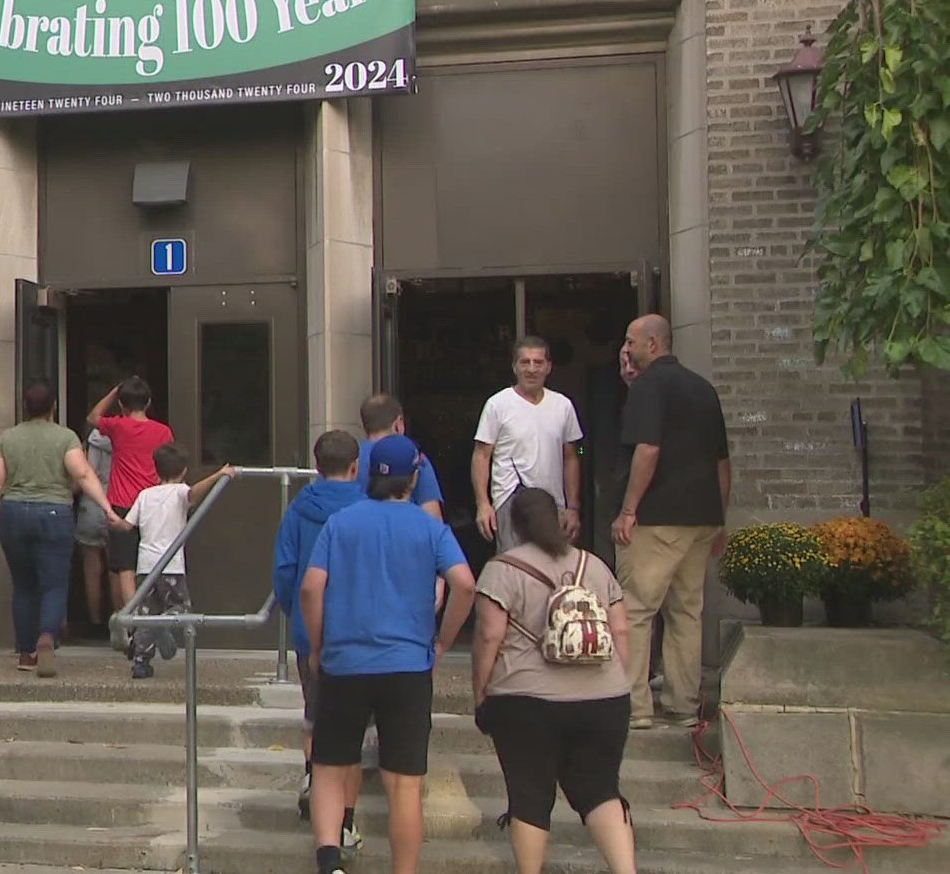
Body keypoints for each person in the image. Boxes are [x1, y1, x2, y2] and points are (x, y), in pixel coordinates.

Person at [301, 435, 475, 874]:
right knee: (404, 785)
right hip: (408, 666)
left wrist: (318, 646)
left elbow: (310, 587)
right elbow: (465, 584)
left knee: (328, 767)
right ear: (413, 478)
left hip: (346, 663)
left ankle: (329, 862)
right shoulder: (430, 527)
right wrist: (443, 641)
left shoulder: (341, 522)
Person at [473, 487, 637, 874]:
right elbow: (622, 632)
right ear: (559, 520)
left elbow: (489, 636)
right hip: (606, 700)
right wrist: (619, 681)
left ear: (515, 525)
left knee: (529, 795)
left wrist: (481, 692)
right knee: (600, 791)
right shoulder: (594, 565)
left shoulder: (502, 569)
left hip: (525, 700)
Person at [612, 315, 730, 730]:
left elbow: (648, 448)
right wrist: (720, 518)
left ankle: (634, 706)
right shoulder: (704, 389)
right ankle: (683, 704)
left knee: (636, 611)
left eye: (632, 342)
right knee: (686, 612)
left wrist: (628, 510)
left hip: (657, 519)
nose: (627, 350)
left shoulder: (649, 386)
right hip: (701, 518)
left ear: (654, 344)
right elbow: (722, 462)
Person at [0, 381, 117, 677]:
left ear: (25, 407)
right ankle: (47, 636)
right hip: (54, 513)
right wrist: (107, 507)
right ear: (54, 407)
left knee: (23, 586)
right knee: (54, 583)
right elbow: (82, 473)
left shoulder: (8, 438)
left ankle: (26, 653)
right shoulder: (65, 437)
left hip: (12, 514)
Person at [271, 429, 366, 845]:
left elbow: (285, 570)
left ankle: (312, 779)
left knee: (315, 714)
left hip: (312, 631)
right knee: (354, 728)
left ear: (316, 465)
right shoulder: (368, 507)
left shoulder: (298, 509)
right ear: (355, 465)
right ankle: (346, 817)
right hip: (361, 630)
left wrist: (295, 611)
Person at [113, 443, 233, 679]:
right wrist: (219, 474)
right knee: (181, 608)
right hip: (171, 567)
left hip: (146, 566)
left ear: (155, 470)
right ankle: (162, 626)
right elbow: (193, 494)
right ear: (184, 471)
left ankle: (141, 662)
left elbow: (127, 526)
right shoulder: (180, 492)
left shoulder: (144, 495)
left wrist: (112, 518)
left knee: (145, 614)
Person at [473, 336, 584, 549]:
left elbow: (571, 457)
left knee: (552, 571)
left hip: (553, 505)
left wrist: (573, 508)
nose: (531, 369)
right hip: (510, 501)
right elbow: (481, 455)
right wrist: (483, 504)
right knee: (514, 570)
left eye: (538, 362)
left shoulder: (563, 406)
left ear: (548, 367)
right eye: (525, 362)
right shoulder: (498, 404)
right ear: (515, 367)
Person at [86, 377, 175, 609]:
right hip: (153, 503)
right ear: (148, 403)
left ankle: (130, 621)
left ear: (122, 405)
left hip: (122, 503)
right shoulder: (163, 432)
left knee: (124, 567)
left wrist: (114, 392)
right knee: (154, 561)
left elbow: (92, 417)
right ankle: (153, 613)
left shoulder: (118, 426)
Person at [358, 394, 443, 520]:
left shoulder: (350, 458)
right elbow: (432, 517)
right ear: (399, 423)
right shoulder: (413, 457)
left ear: (364, 425)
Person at [72, 422, 114, 636]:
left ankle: (95, 624)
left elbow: (79, 480)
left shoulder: (90, 442)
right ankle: (121, 623)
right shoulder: (127, 436)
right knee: (118, 569)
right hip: (118, 502)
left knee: (92, 570)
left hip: (91, 505)